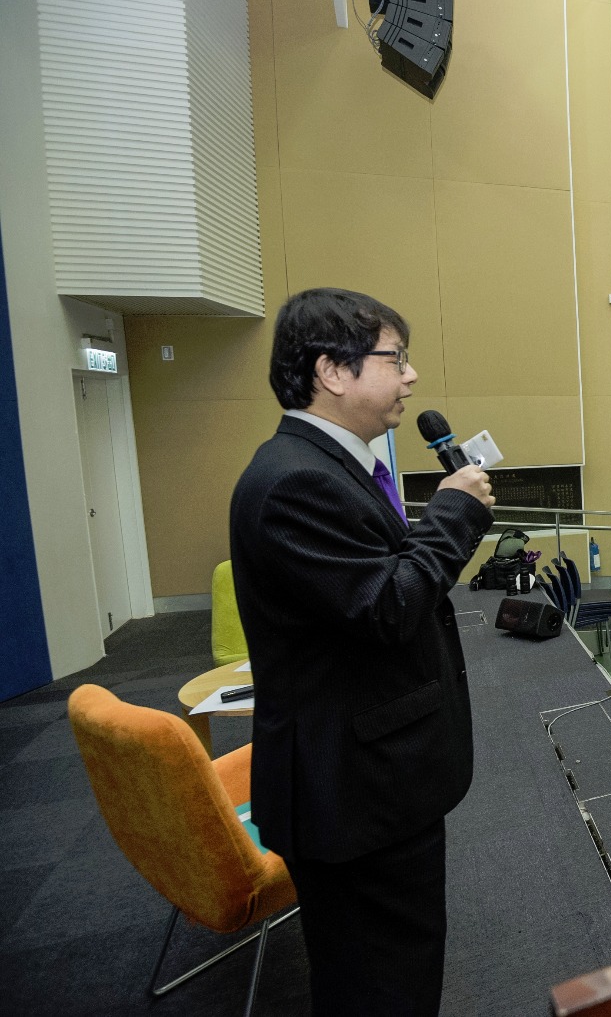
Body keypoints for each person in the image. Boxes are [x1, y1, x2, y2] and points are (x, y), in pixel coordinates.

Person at [230, 288, 497, 1015]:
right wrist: (455, 511)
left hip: (372, 778)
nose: (410, 376)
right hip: (353, 792)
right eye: (395, 358)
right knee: (381, 988)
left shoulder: (331, 464)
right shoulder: (295, 482)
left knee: (384, 976)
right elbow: (386, 607)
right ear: (333, 371)